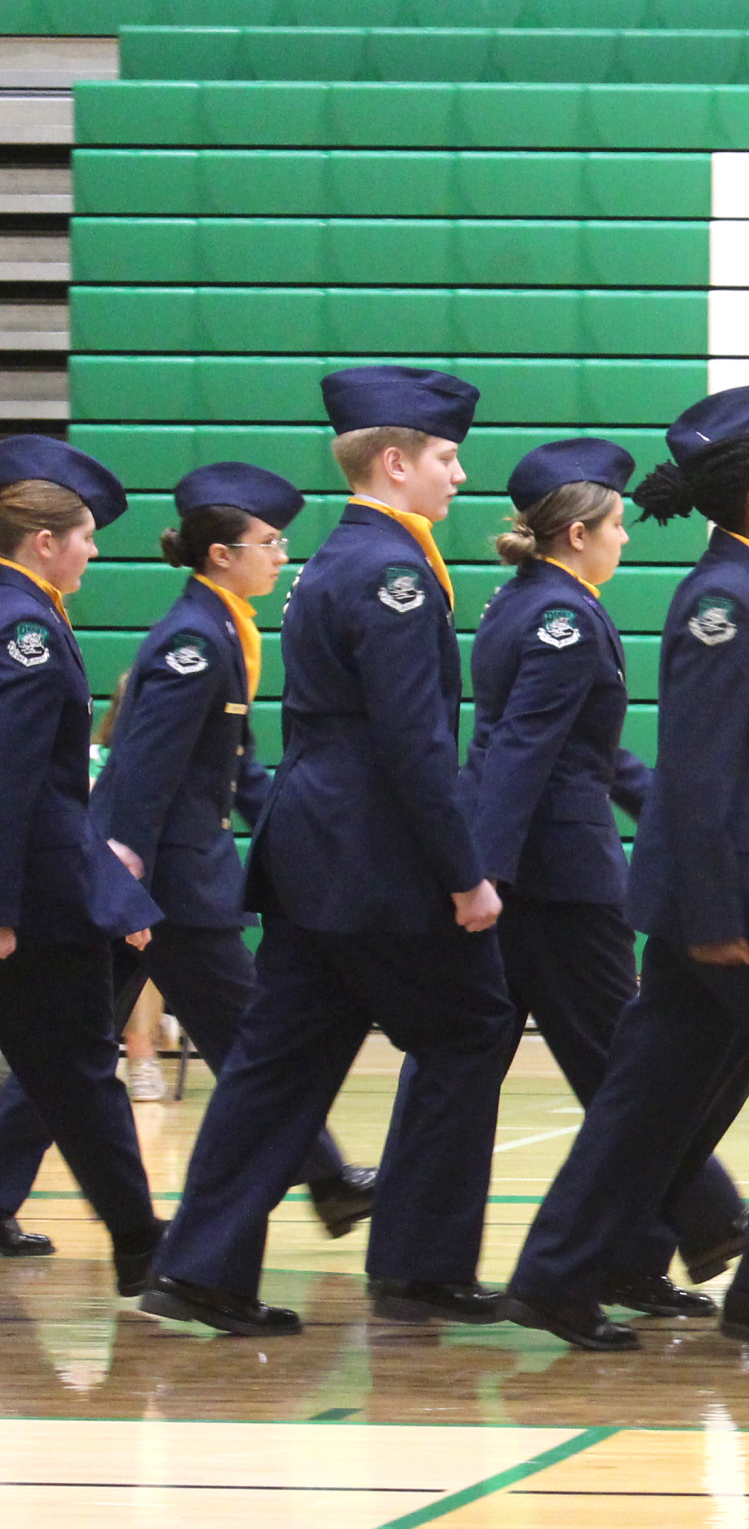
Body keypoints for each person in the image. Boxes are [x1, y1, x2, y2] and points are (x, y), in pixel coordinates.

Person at [142, 366, 517, 1337]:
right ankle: (420, 1262)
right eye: (445, 456)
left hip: (316, 859)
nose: (460, 475)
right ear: (395, 461)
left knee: (276, 1066)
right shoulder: (392, 572)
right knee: (472, 1026)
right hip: (377, 864)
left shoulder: (336, 559)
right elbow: (412, 742)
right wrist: (464, 871)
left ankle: (200, 1268)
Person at [503, 385, 749, 1353]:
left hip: (745, 884)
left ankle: (555, 1273)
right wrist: (713, 913)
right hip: (742, 894)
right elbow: (701, 774)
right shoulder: (724, 599)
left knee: (648, 1095)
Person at [0, 462, 377, 1253]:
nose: (281, 556)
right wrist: (123, 879)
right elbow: (137, 770)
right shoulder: (191, 641)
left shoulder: (223, 630)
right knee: (239, 1039)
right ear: (221, 556)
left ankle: (317, 1182)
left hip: (143, 880)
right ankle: (317, 1182)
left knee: (65, 1058)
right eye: (268, 542)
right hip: (158, 881)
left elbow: (233, 767)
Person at [461, 436, 747, 1317]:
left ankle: (666, 1235)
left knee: (516, 1062)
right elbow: (523, 753)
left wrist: (661, 802)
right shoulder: (566, 619)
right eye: (617, 525)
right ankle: (687, 1224)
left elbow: (585, 748)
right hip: (558, 877)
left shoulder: (525, 604)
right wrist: (487, 873)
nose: (625, 539)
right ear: (578, 532)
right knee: (631, 1068)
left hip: (532, 869)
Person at [0, 435, 165, 1289]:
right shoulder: (25, 629)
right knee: (79, 1075)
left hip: (45, 893)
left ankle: (143, 1239)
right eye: (87, 536)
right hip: (37, 905)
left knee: (70, 1074)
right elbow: (15, 782)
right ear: (44, 542)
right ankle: (143, 1243)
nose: (94, 551)